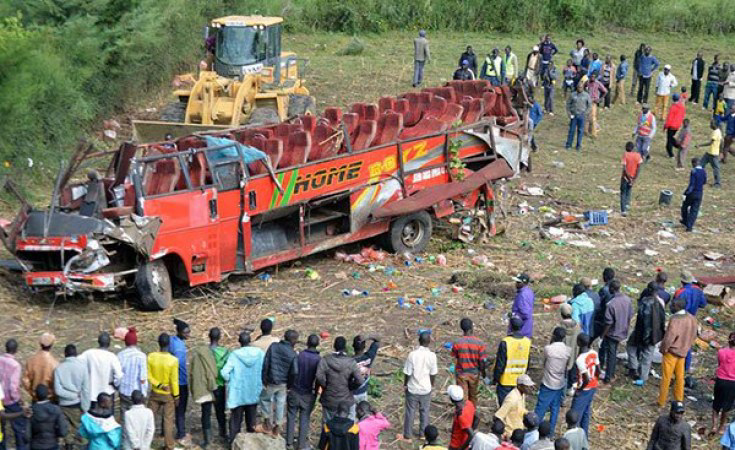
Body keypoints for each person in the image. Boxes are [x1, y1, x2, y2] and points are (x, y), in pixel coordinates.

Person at [220, 332, 264, 442]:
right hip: (253, 391)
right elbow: (265, 368)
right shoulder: (259, 353)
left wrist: (230, 380)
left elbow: (224, 372)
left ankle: (234, 443)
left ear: (239, 342)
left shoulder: (235, 355)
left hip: (238, 393)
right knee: (252, 422)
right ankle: (251, 444)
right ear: (250, 341)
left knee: (235, 422)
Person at [658, 298, 698, 407]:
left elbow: (669, 337)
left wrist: (663, 349)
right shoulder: (691, 318)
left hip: (672, 352)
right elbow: (694, 334)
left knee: (666, 377)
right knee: (680, 377)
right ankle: (679, 400)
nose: (671, 306)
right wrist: (687, 346)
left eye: (673, 305)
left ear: (678, 306)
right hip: (683, 351)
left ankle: (661, 401)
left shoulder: (675, 319)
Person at [260, 330, 299, 437]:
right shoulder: (293, 354)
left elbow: (266, 363)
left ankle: (267, 422)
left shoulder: (273, 346)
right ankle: (277, 426)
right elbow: (295, 372)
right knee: (280, 404)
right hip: (283, 383)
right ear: (294, 341)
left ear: (284, 337)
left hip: (271, 380)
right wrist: (289, 385)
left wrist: (264, 379)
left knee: (264, 399)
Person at [316, 337, 364, 423]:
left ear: (334, 346)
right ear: (345, 347)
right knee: (348, 425)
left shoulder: (326, 360)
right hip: (346, 399)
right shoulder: (351, 362)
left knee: (327, 425)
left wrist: (326, 386)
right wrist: (350, 387)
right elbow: (360, 380)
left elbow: (319, 376)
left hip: (329, 399)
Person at [401, 332, 437, 443]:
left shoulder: (412, 354)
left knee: (410, 411)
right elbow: (433, 373)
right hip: (426, 388)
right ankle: (422, 434)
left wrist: (405, 384)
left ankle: (407, 435)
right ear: (429, 342)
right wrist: (432, 384)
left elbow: (407, 372)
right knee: (425, 411)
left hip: (413, 388)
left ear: (419, 341)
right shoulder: (432, 356)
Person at [627, 282, 666, 386]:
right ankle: (643, 377)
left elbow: (642, 321)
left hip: (642, 333)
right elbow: (662, 320)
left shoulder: (644, 302)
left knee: (631, 346)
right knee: (647, 356)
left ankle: (634, 367)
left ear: (648, 289)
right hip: (655, 335)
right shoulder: (660, 303)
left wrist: (643, 336)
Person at [287, 334, 321, 450]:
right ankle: (301, 445)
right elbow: (318, 379)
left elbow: (292, 372)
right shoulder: (318, 360)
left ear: (307, 343)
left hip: (295, 390)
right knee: (304, 418)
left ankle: (289, 443)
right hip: (308, 393)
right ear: (317, 345)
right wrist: (315, 393)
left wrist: (289, 386)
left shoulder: (299, 355)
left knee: (291, 415)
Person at [534, 328, 570, 433]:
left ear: (553, 336)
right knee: (555, 409)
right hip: (560, 383)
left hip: (548, 382)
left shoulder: (548, 349)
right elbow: (567, 366)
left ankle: (534, 429)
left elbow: (544, 364)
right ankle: (550, 432)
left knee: (541, 408)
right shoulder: (568, 350)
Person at [53, 344, 89, 449]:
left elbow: (58, 390)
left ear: (65, 354)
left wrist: (69, 396)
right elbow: (86, 390)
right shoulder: (82, 368)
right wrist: (85, 407)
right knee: (78, 429)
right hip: (77, 404)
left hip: (63, 405)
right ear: (76, 354)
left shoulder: (59, 369)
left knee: (66, 431)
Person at [147, 333, 179, 450]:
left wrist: (159, 385)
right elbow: (174, 380)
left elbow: (148, 375)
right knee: (168, 420)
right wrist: (176, 396)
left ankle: (146, 442)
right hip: (168, 394)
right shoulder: (173, 360)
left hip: (155, 392)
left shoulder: (151, 357)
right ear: (169, 344)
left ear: (158, 343)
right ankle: (169, 445)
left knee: (149, 417)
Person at [188, 330, 218, 447]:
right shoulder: (208, 355)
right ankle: (208, 439)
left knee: (204, 413)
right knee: (207, 413)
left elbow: (191, 373)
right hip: (208, 388)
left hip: (199, 388)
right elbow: (211, 375)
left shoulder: (196, 355)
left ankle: (207, 439)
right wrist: (214, 389)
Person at [599, 279, 633, 383]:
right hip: (623, 330)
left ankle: (609, 376)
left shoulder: (611, 304)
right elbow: (630, 315)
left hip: (612, 333)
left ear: (612, 289)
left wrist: (602, 336)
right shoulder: (627, 300)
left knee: (611, 354)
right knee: (613, 352)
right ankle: (609, 372)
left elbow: (608, 322)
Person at [78, 332, 122, 411]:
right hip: (107, 393)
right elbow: (119, 376)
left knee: (92, 419)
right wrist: (116, 385)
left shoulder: (89, 353)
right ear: (109, 343)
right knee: (107, 418)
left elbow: (77, 362)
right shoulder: (112, 357)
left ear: (98, 342)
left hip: (92, 392)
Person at [493, 318, 531, 407]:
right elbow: (528, 362)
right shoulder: (527, 342)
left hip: (506, 380)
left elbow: (500, 363)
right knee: (516, 406)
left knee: (504, 406)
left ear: (510, 327)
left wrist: (496, 378)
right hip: (520, 380)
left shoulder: (506, 342)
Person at [451, 318, 488, 405]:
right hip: (474, 374)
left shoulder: (457, 343)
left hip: (462, 373)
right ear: (472, 328)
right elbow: (482, 361)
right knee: (473, 395)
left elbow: (455, 357)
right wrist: (484, 374)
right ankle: (472, 413)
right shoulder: (480, 343)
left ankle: (464, 414)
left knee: (463, 397)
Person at [1, 339, 27, 450]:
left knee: (2, 428)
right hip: (10, 400)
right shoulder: (16, 366)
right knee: (19, 427)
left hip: (0, 400)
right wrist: (18, 399)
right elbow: (13, 387)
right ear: (16, 350)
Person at [569, 333, 598, 436]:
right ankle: (584, 437)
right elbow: (598, 368)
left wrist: (579, 389)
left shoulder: (580, 359)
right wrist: (595, 379)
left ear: (579, 343)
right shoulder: (594, 353)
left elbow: (585, 378)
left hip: (585, 388)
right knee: (586, 412)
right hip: (593, 386)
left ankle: (574, 437)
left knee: (575, 414)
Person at [116, 328, 147, 416]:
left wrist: (118, 386)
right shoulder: (141, 356)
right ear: (136, 342)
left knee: (124, 416)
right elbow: (143, 378)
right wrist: (144, 393)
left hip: (124, 391)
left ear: (125, 342)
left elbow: (118, 374)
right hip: (136, 393)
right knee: (136, 417)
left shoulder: (120, 355)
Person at [169, 319, 190, 443]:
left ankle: (164, 431)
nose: (188, 334)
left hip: (170, 380)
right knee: (181, 409)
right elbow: (180, 366)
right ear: (179, 332)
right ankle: (181, 433)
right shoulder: (180, 348)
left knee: (169, 406)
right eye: (186, 332)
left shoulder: (172, 340)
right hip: (180, 382)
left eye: (189, 331)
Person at [207, 328, 229, 441]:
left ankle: (207, 435)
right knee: (220, 411)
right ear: (220, 337)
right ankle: (223, 432)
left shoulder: (204, 352)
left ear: (208, 336)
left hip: (206, 385)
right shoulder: (224, 352)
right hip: (220, 384)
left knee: (206, 411)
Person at [29, 385, 67, 450]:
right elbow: (63, 431)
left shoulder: (30, 410)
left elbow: (27, 435)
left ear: (36, 395)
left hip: (36, 444)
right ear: (48, 394)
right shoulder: (56, 409)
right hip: (52, 444)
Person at [24, 334, 59, 402]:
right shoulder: (55, 364)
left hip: (35, 397)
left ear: (40, 344)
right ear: (52, 345)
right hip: (49, 398)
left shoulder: (31, 360)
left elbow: (25, 381)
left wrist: (32, 393)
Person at [712, 332, 735, 436]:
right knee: (727, 407)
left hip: (720, 380)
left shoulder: (721, 352)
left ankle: (714, 426)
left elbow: (720, 364)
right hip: (732, 383)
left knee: (716, 404)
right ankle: (721, 427)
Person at [353, 334, 380, 406]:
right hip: (363, 391)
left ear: (353, 346)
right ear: (364, 346)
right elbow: (378, 340)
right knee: (364, 413)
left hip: (351, 394)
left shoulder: (349, 361)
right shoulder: (369, 356)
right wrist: (368, 337)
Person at [681, 157, 706, 231]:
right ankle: (689, 227)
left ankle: (685, 220)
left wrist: (686, 193)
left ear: (694, 163)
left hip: (692, 193)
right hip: (699, 193)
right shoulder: (703, 171)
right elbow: (704, 181)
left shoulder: (694, 171)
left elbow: (692, 184)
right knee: (694, 210)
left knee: (685, 206)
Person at [447, 385, 476, 450]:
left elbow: (471, 434)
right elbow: (477, 417)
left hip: (457, 444)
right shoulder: (469, 404)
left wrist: (461, 448)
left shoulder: (461, 415)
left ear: (452, 399)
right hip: (463, 442)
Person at [565, 82, 591, 151]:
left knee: (580, 131)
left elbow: (589, 106)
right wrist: (569, 113)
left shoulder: (586, 95)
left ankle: (578, 146)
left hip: (582, 115)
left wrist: (586, 113)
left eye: (581, 87)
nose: (579, 88)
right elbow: (568, 104)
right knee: (571, 130)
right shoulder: (573, 95)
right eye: (578, 87)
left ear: (583, 88)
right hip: (574, 115)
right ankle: (568, 145)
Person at [620, 141, 643, 216]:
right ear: (633, 148)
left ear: (626, 148)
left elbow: (624, 168)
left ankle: (623, 210)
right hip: (633, 178)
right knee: (629, 190)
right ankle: (627, 205)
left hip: (625, 177)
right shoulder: (638, 155)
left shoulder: (625, 155)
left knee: (623, 193)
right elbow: (639, 168)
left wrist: (629, 177)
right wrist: (634, 178)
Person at [697, 119, 722, 187]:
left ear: (715, 125)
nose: (710, 125)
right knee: (700, 165)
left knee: (716, 168)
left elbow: (710, 143)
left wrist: (700, 145)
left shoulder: (716, 132)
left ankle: (718, 183)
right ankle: (700, 179)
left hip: (713, 154)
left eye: (711, 124)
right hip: (709, 152)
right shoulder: (717, 131)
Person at [594, 268, 616, 342]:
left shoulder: (604, 289)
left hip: (603, 316)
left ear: (605, 277)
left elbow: (598, 303)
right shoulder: (616, 286)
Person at [510, 274, 534, 338]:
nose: (516, 284)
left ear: (524, 283)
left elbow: (525, 313)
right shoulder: (528, 291)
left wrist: (515, 317)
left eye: (518, 282)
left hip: (521, 327)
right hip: (524, 324)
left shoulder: (523, 295)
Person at [585, 73, 607, 138]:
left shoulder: (598, 83)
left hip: (593, 102)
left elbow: (605, 91)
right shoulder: (587, 82)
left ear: (595, 77)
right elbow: (582, 87)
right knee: (587, 117)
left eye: (593, 77)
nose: (592, 78)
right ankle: (586, 131)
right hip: (587, 102)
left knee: (593, 118)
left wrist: (600, 99)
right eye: (591, 77)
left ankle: (594, 134)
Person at [664, 94, 686, 158]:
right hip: (677, 125)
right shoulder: (682, 107)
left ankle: (671, 153)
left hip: (671, 126)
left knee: (669, 140)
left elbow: (669, 118)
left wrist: (666, 126)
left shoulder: (673, 107)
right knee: (671, 138)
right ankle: (677, 146)